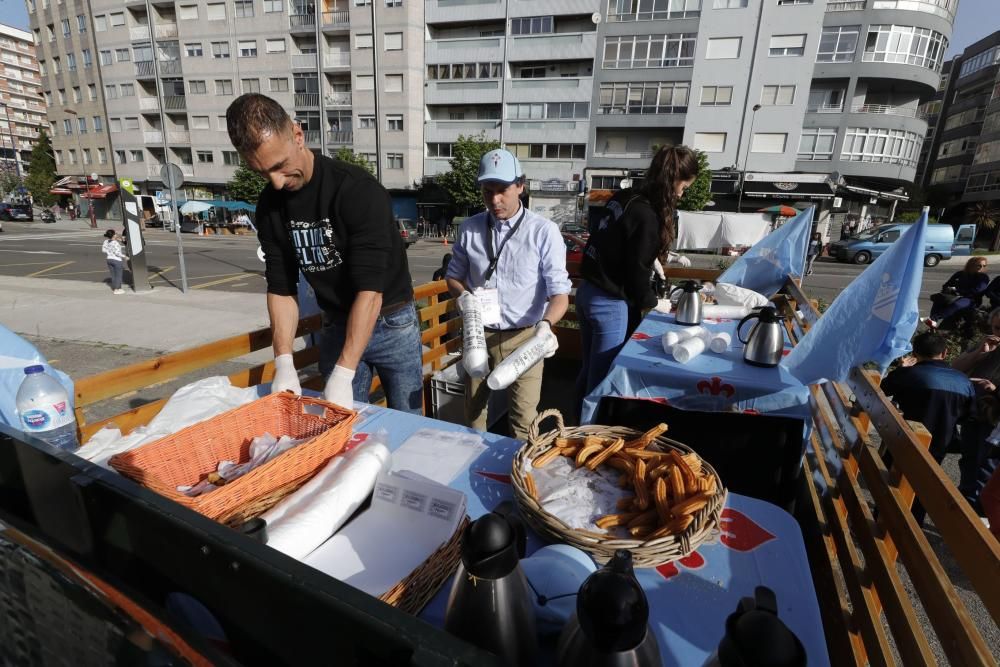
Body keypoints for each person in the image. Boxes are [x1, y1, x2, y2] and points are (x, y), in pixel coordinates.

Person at [226, 93, 422, 413]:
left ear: (298, 136)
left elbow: (369, 292)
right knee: (337, 427)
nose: (275, 182)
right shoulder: (269, 207)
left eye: (279, 166)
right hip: (335, 323)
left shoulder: (356, 189)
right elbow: (281, 287)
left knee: (409, 420)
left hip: (391, 321)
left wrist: (344, 373)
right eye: (262, 173)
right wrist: (284, 360)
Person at [445, 148, 571, 440]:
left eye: (502, 190)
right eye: (487, 191)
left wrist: (546, 327)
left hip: (526, 337)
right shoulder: (470, 228)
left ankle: (515, 477)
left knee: (524, 419)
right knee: (473, 412)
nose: (494, 200)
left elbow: (560, 294)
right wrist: (463, 297)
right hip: (479, 333)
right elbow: (454, 277)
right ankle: (471, 467)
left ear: (521, 187)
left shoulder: (543, 231)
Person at [574, 145, 700, 403]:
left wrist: (650, 257)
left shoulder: (624, 197)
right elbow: (635, 273)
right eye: (683, 187)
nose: (681, 193)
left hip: (586, 293)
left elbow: (614, 240)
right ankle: (588, 437)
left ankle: (574, 424)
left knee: (588, 370)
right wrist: (654, 302)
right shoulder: (647, 215)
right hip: (609, 303)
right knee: (602, 380)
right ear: (674, 180)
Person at [881, 332, 976, 526]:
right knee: (924, 485)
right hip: (940, 442)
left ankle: (883, 521)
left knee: (892, 480)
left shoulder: (908, 375)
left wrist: (901, 369)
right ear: (945, 353)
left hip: (903, 436)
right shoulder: (963, 381)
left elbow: (883, 389)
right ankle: (913, 527)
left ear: (915, 352)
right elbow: (968, 415)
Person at [950, 307, 1000, 514]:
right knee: (970, 461)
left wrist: (995, 390)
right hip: (974, 414)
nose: (999, 332)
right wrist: (979, 354)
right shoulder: (987, 344)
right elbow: (954, 368)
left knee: (986, 468)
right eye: (997, 327)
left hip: (995, 421)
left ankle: (979, 517)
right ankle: (966, 509)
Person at [924, 256, 989, 329]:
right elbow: (947, 284)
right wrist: (948, 288)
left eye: (984, 266)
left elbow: (977, 290)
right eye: (979, 265)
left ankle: (933, 318)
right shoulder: (960, 274)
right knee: (938, 299)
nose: (981, 267)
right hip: (953, 295)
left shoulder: (983, 277)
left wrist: (958, 291)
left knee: (957, 304)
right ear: (971, 265)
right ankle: (932, 323)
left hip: (970, 299)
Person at [102, 229, 126, 295]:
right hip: (117, 260)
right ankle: (116, 289)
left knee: (113, 275)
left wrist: (109, 252)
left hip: (109, 259)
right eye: (115, 233)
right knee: (118, 275)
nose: (116, 234)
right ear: (113, 235)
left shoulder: (106, 241)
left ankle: (117, 287)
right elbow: (117, 253)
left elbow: (103, 250)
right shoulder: (115, 243)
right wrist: (125, 257)